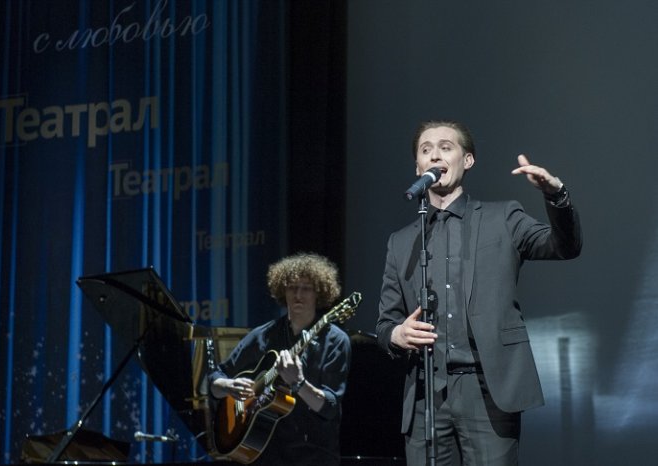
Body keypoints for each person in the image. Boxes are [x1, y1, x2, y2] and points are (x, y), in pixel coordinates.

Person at [376, 120, 582, 466]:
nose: (434, 155)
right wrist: (397, 335)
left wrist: (556, 195)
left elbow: (564, 246)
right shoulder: (401, 242)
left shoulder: (503, 218)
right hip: (427, 395)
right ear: (418, 167)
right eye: (426, 150)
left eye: (445, 147)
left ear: (467, 160)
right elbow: (385, 324)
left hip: (489, 390)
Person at [209, 252, 351, 465]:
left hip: (313, 456)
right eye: (292, 287)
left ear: (319, 293)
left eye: (306, 288)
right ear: (282, 291)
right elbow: (214, 379)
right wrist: (227, 386)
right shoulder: (263, 335)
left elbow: (329, 408)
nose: (298, 294)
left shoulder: (335, 341)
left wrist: (299, 383)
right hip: (265, 454)